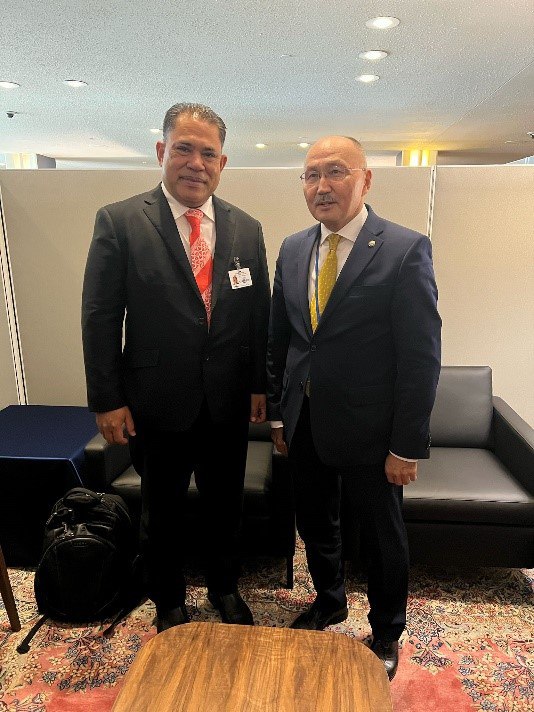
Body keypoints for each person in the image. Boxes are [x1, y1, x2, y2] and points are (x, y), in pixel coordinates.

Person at [82, 103, 270, 632]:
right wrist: (107, 399)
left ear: (222, 162)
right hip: (156, 400)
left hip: (228, 400)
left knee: (225, 506)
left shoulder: (246, 228)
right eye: (184, 149)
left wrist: (260, 385)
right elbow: (100, 316)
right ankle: (167, 599)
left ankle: (225, 588)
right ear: (162, 151)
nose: (195, 163)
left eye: (208, 153)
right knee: (160, 509)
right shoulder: (120, 221)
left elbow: (259, 313)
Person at [267, 136, 441, 680]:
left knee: (381, 536)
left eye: (336, 172)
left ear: (366, 180)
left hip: (373, 430)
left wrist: (406, 445)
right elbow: (281, 340)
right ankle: (330, 600)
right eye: (311, 175)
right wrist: (278, 414)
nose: (322, 186)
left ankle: (386, 630)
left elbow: (420, 356)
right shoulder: (294, 248)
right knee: (315, 522)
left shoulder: (405, 249)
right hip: (304, 422)